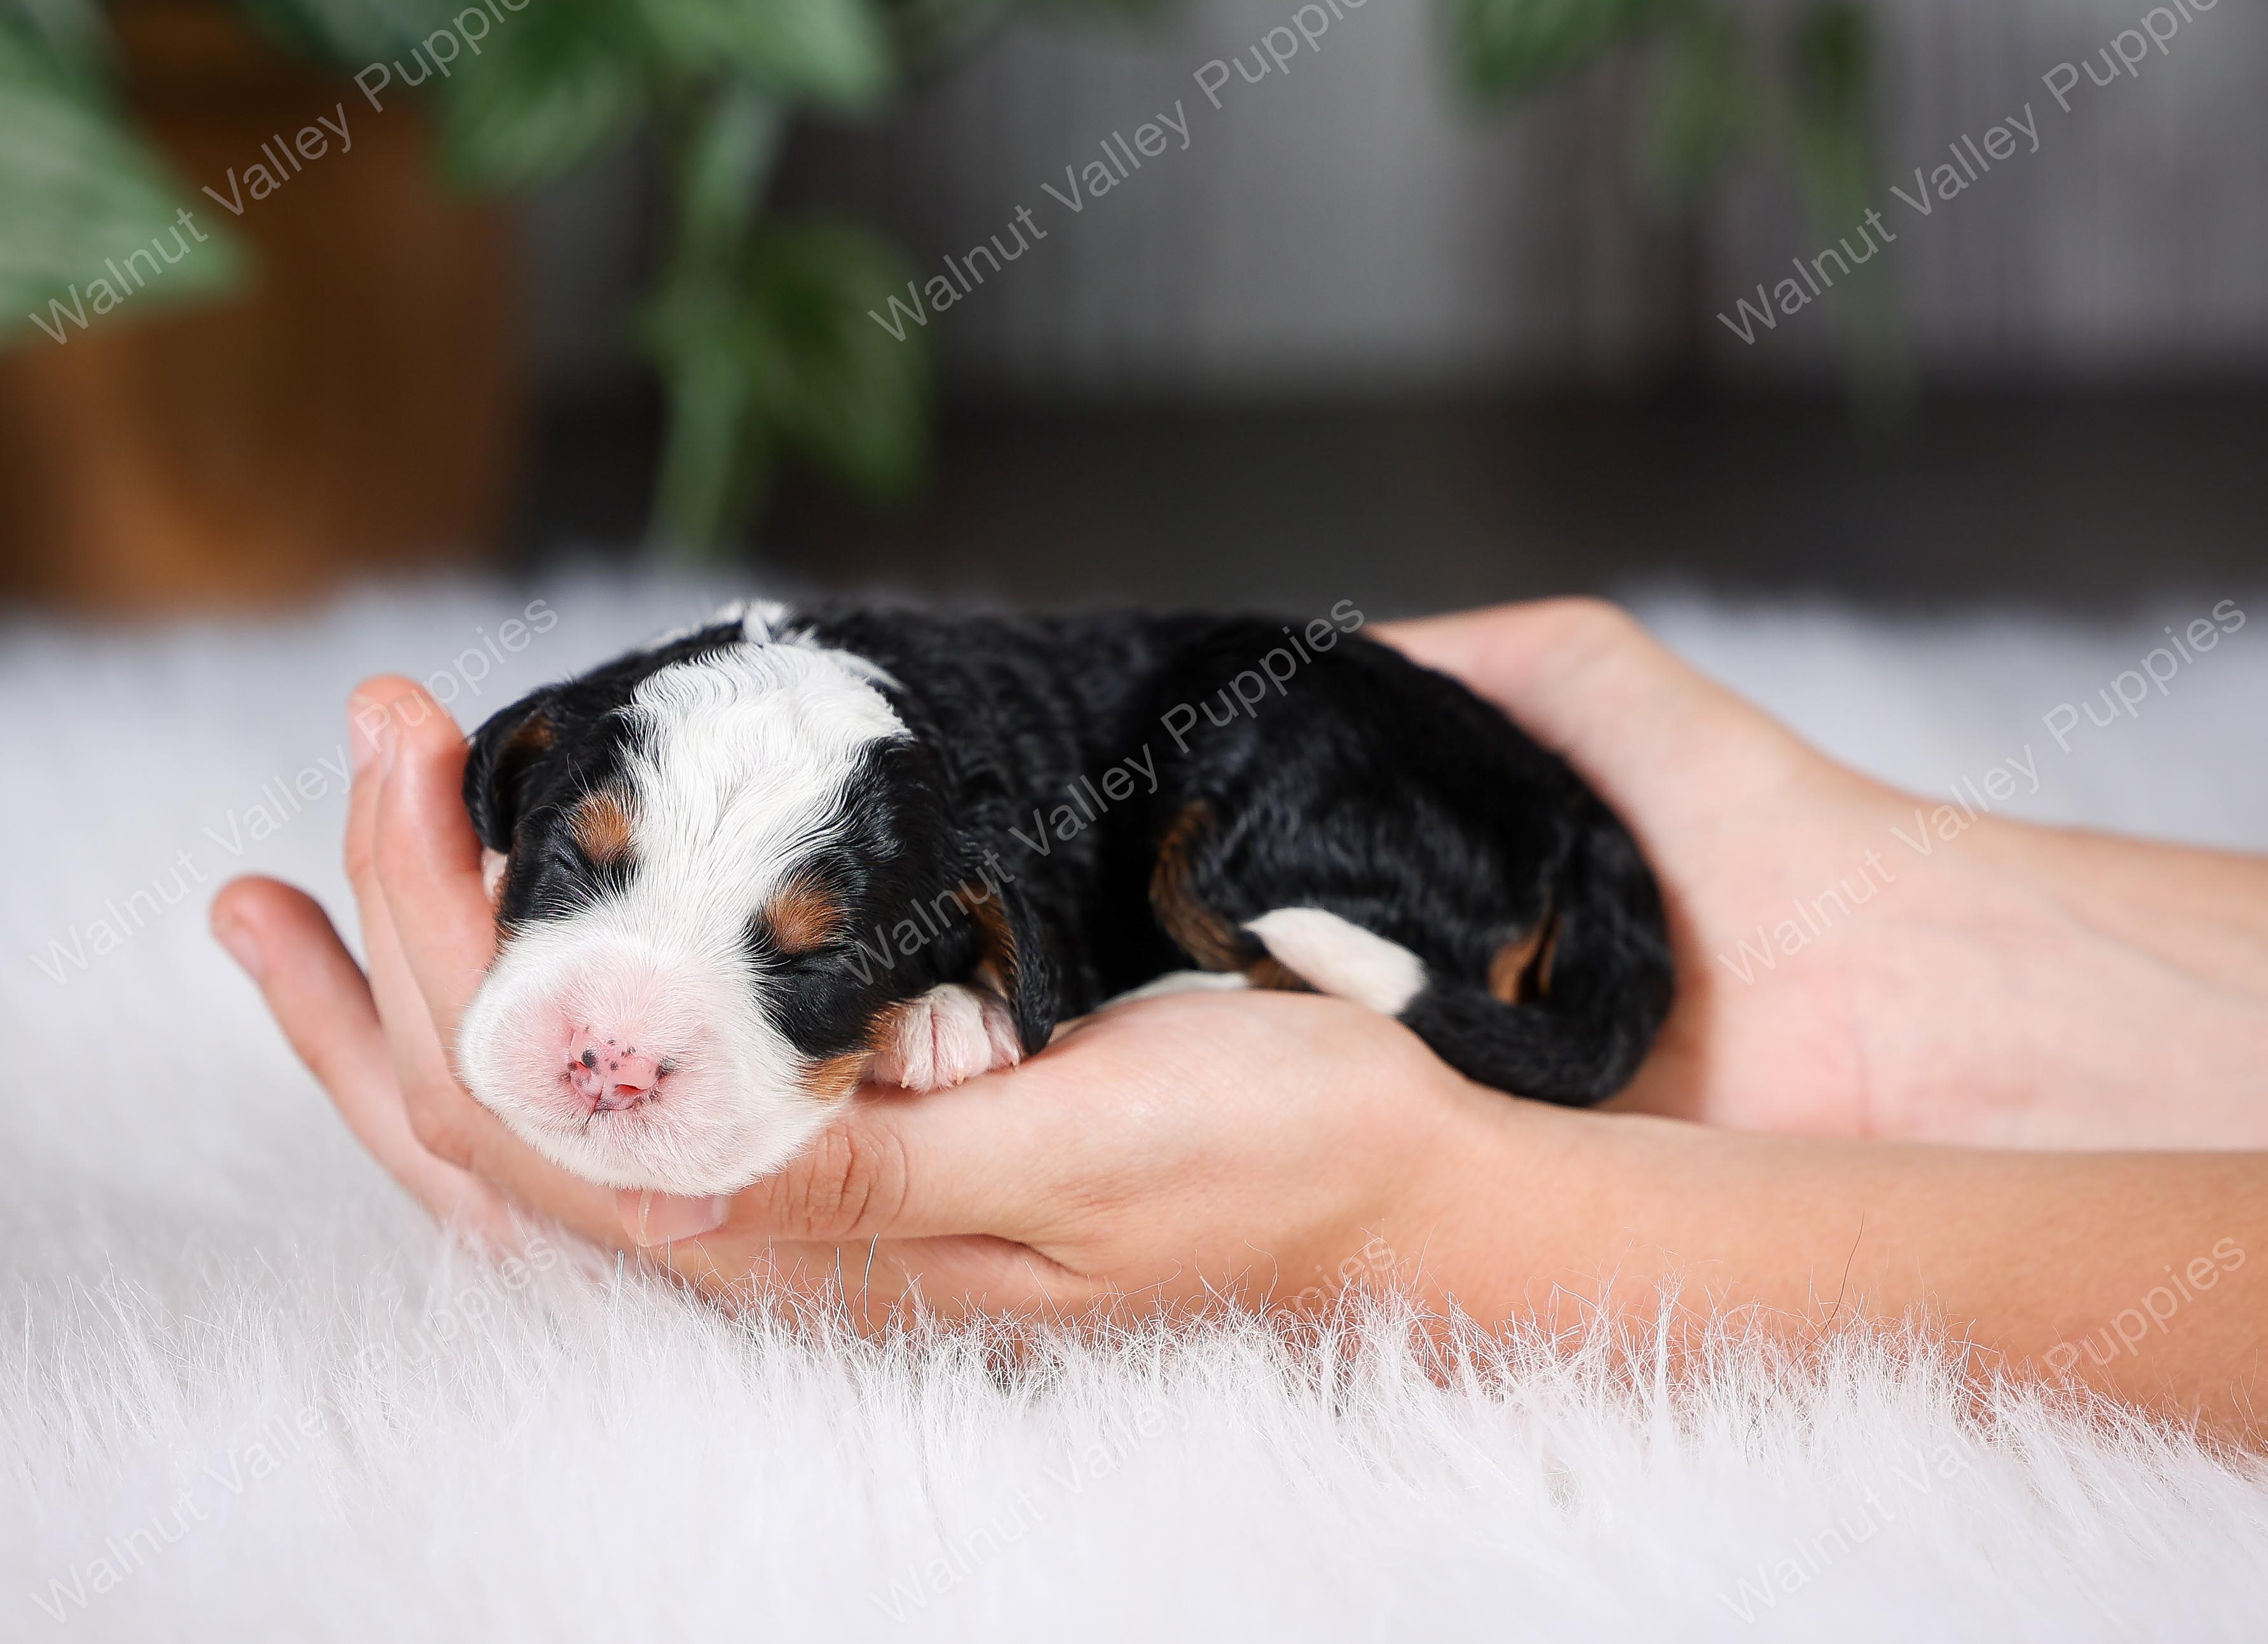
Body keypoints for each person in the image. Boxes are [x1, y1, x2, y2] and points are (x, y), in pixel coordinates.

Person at [210, 599, 2268, 1435]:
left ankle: (1411, 971)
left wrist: (1426, 1200)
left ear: (974, 928)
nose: (616, 1033)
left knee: (1245, 803)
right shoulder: (645, 734)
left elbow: (1043, 944)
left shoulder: (990, 875)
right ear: (526, 782)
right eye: (575, 874)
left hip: (1434, 824)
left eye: (807, 957)